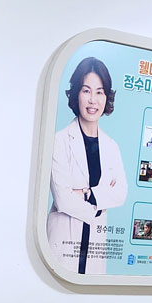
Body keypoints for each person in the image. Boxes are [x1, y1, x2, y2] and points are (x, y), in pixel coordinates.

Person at [47, 57, 127, 275]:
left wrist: (85, 193)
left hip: (94, 248)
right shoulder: (59, 141)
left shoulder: (111, 146)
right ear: (76, 94)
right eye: (86, 91)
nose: (93, 100)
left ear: (107, 96)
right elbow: (63, 199)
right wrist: (100, 203)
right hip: (64, 243)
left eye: (99, 92)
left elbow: (120, 193)